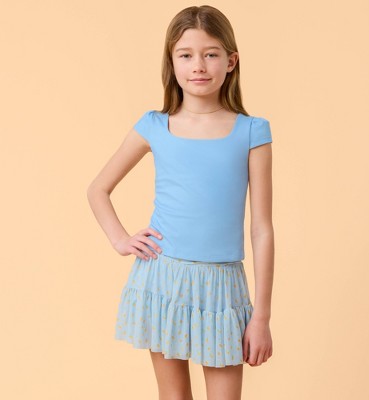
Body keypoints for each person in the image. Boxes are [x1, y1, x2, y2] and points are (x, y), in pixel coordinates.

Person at [87, 5, 274, 400]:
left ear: (231, 61)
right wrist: (120, 239)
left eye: (211, 54)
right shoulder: (155, 126)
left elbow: (261, 228)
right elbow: (98, 188)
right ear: (171, 63)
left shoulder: (252, 132)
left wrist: (261, 316)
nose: (198, 66)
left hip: (222, 287)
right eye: (186, 55)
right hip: (163, 279)